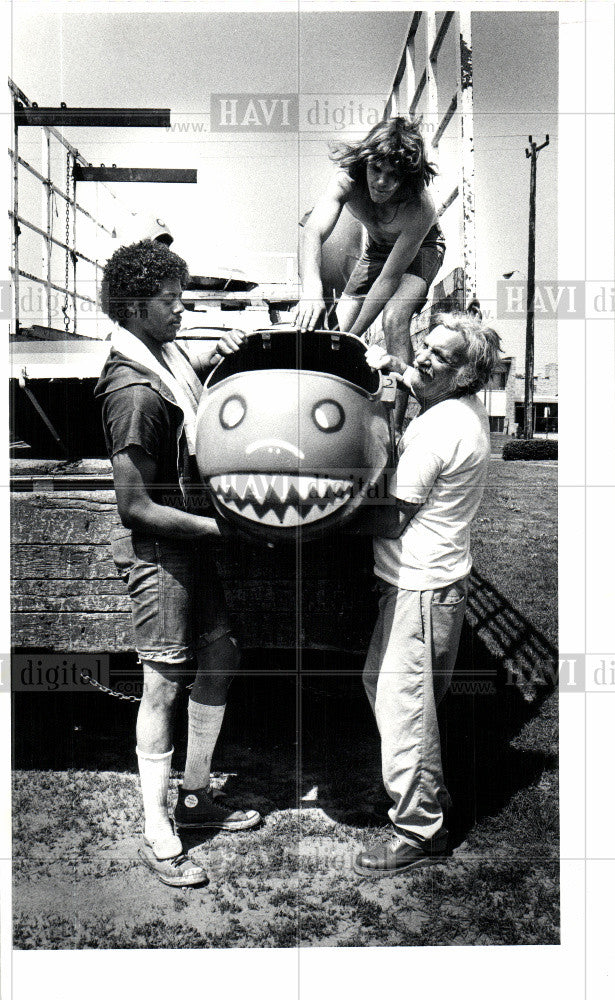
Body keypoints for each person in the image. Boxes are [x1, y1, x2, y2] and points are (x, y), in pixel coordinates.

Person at [95, 239, 260, 889]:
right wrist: (221, 527)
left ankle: (193, 796)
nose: (181, 311)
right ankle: (157, 829)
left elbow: (182, 371)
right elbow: (135, 507)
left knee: (221, 655)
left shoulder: (160, 356)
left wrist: (217, 354)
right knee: (162, 684)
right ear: (135, 306)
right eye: (170, 302)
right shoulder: (132, 390)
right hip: (162, 546)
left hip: (187, 540)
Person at [353, 311, 501, 876]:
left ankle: (419, 829)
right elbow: (413, 377)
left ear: (464, 374)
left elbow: (391, 518)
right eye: (427, 346)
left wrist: (319, 516)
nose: (424, 357)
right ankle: (427, 796)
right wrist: (394, 364)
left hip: (419, 585)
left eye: (439, 355)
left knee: (404, 707)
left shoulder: (442, 428)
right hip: (432, 583)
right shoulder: (457, 408)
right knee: (394, 692)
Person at [293, 116, 445, 430]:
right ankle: (320, 413)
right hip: (376, 248)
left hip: (422, 249)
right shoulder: (346, 179)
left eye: (394, 176)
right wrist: (311, 289)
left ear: (407, 178)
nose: (381, 182)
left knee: (393, 318)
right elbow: (312, 232)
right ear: (365, 160)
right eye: (376, 169)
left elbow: (389, 280)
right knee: (332, 336)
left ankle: (395, 427)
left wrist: (352, 338)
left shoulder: (421, 207)